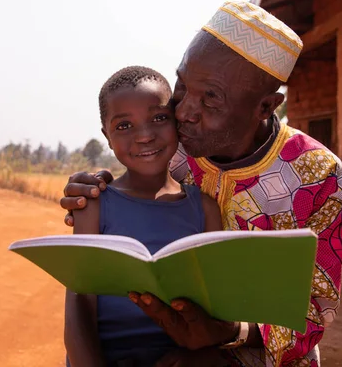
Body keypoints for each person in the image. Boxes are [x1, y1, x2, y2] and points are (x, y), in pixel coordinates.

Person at [61, 1, 342, 366]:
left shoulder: (317, 174)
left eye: (210, 98)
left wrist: (230, 334)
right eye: (182, 85)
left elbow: (314, 309)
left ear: (265, 107)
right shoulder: (175, 145)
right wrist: (93, 188)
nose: (183, 111)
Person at [64, 65, 225, 367]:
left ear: (176, 121)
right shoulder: (95, 204)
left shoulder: (203, 208)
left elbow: (213, 309)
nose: (145, 136)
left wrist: (200, 355)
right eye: (124, 126)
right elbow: (79, 307)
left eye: (159, 118)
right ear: (107, 137)